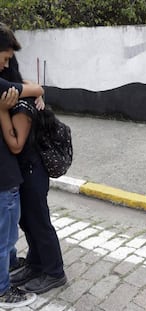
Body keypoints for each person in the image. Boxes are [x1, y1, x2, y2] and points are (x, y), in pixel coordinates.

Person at [0, 23, 67, 295]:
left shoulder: (18, 101)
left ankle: (54, 272)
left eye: (7, 61)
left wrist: (35, 92)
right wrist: (37, 89)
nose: (4, 66)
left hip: (31, 168)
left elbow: (16, 145)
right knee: (27, 220)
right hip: (22, 170)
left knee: (38, 220)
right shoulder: (15, 90)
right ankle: (37, 264)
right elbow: (33, 86)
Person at [0, 24, 39, 308]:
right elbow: (36, 88)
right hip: (3, 177)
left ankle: (11, 265)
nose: (6, 64)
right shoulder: (3, 88)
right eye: (5, 57)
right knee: (5, 237)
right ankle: (3, 290)